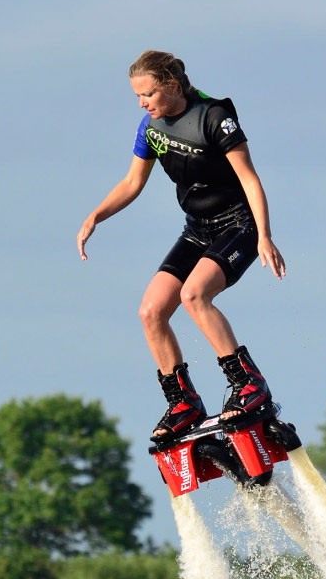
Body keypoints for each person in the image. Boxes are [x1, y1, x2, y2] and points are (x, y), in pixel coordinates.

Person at [77, 49, 286, 443]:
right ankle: (183, 402)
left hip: (237, 226)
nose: (142, 103)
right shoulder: (151, 127)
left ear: (172, 86)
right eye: (138, 97)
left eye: (148, 94)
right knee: (151, 311)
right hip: (197, 230)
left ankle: (248, 384)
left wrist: (264, 235)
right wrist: (95, 216)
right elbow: (131, 183)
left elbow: (250, 179)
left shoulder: (214, 118)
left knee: (194, 296)